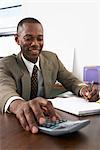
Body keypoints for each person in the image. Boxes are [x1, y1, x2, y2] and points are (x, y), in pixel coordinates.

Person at [0, 17, 99, 134]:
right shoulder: (6, 64)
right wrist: (19, 105)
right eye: (28, 38)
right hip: (20, 126)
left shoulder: (52, 59)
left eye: (40, 38)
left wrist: (84, 89)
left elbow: (71, 80)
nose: (35, 44)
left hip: (49, 121)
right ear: (17, 39)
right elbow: (4, 90)